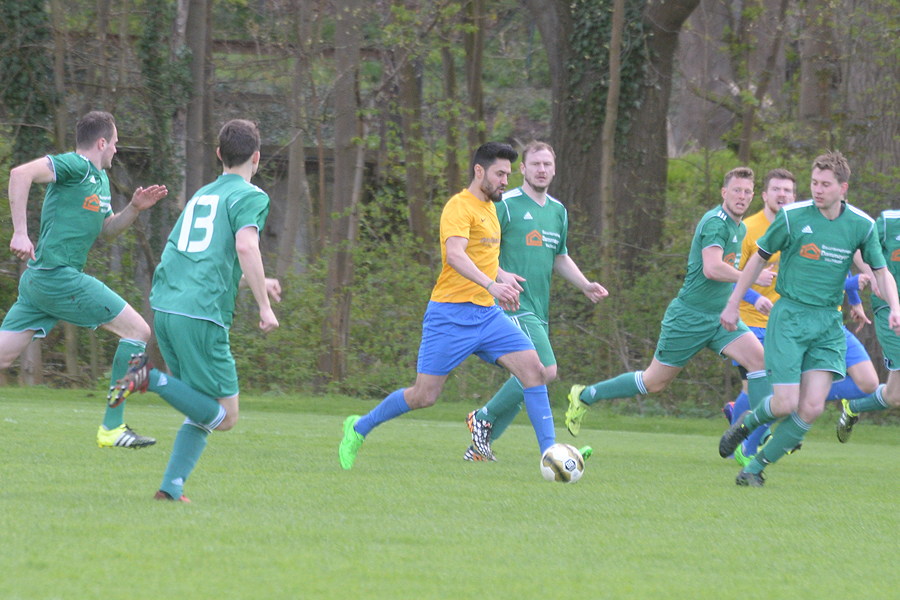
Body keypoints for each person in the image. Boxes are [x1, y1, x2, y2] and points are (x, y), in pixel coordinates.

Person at [338, 142, 554, 470]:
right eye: (499, 174)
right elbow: (455, 255)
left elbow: (482, 257)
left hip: (488, 315)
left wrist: (501, 275)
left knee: (535, 371)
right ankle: (359, 427)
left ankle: (551, 455)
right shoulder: (459, 206)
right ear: (479, 171)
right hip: (450, 315)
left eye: (507, 175)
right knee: (424, 396)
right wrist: (492, 284)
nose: (504, 181)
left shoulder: (491, 210)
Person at [110, 119, 281, 501]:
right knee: (227, 416)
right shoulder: (250, 196)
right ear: (256, 157)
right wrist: (264, 306)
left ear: (219, 154)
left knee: (202, 406)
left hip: (168, 307)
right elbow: (246, 247)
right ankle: (147, 378)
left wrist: (257, 282)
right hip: (201, 315)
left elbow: (203, 263)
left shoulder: (203, 195)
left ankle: (171, 488)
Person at [719, 151, 900, 487]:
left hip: (828, 324)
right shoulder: (792, 217)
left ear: (843, 188)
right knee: (785, 403)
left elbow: (881, 271)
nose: (817, 189)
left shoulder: (861, 225)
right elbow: (756, 261)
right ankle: (746, 424)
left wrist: (896, 307)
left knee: (812, 408)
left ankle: (754, 468)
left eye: (825, 184)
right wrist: (733, 303)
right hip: (790, 318)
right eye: (814, 182)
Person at [0, 111, 168, 449]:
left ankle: (113, 429)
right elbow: (20, 174)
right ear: (102, 143)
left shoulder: (100, 180)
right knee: (138, 331)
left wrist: (134, 208)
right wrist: (20, 232)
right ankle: (112, 428)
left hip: (42, 281)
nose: (117, 150)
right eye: (115, 143)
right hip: (57, 277)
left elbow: (108, 230)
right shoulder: (75, 166)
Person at [564, 167, 774, 437]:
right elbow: (712, 268)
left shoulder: (740, 227)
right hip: (689, 317)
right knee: (654, 382)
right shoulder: (715, 222)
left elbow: (728, 276)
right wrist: (752, 276)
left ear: (753, 196)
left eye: (747, 192)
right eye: (736, 190)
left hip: (720, 317)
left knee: (759, 362)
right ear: (724, 192)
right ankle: (585, 395)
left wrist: (747, 296)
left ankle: (754, 431)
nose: (741, 196)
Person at [463, 141, 607, 461]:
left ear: (554, 170)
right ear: (523, 169)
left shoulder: (558, 211)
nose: (542, 170)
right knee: (544, 370)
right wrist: (500, 277)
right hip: (510, 305)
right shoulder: (506, 205)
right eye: (535, 164)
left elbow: (560, 257)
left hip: (539, 309)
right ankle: (483, 417)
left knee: (528, 377)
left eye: (547, 164)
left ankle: (480, 448)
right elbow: (477, 251)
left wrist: (585, 285)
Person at [835, 208, 900, 441]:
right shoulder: (889, 223)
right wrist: (871, 275)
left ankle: (853, 406)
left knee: (894, 396)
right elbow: (856, 247)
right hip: (889, 311)